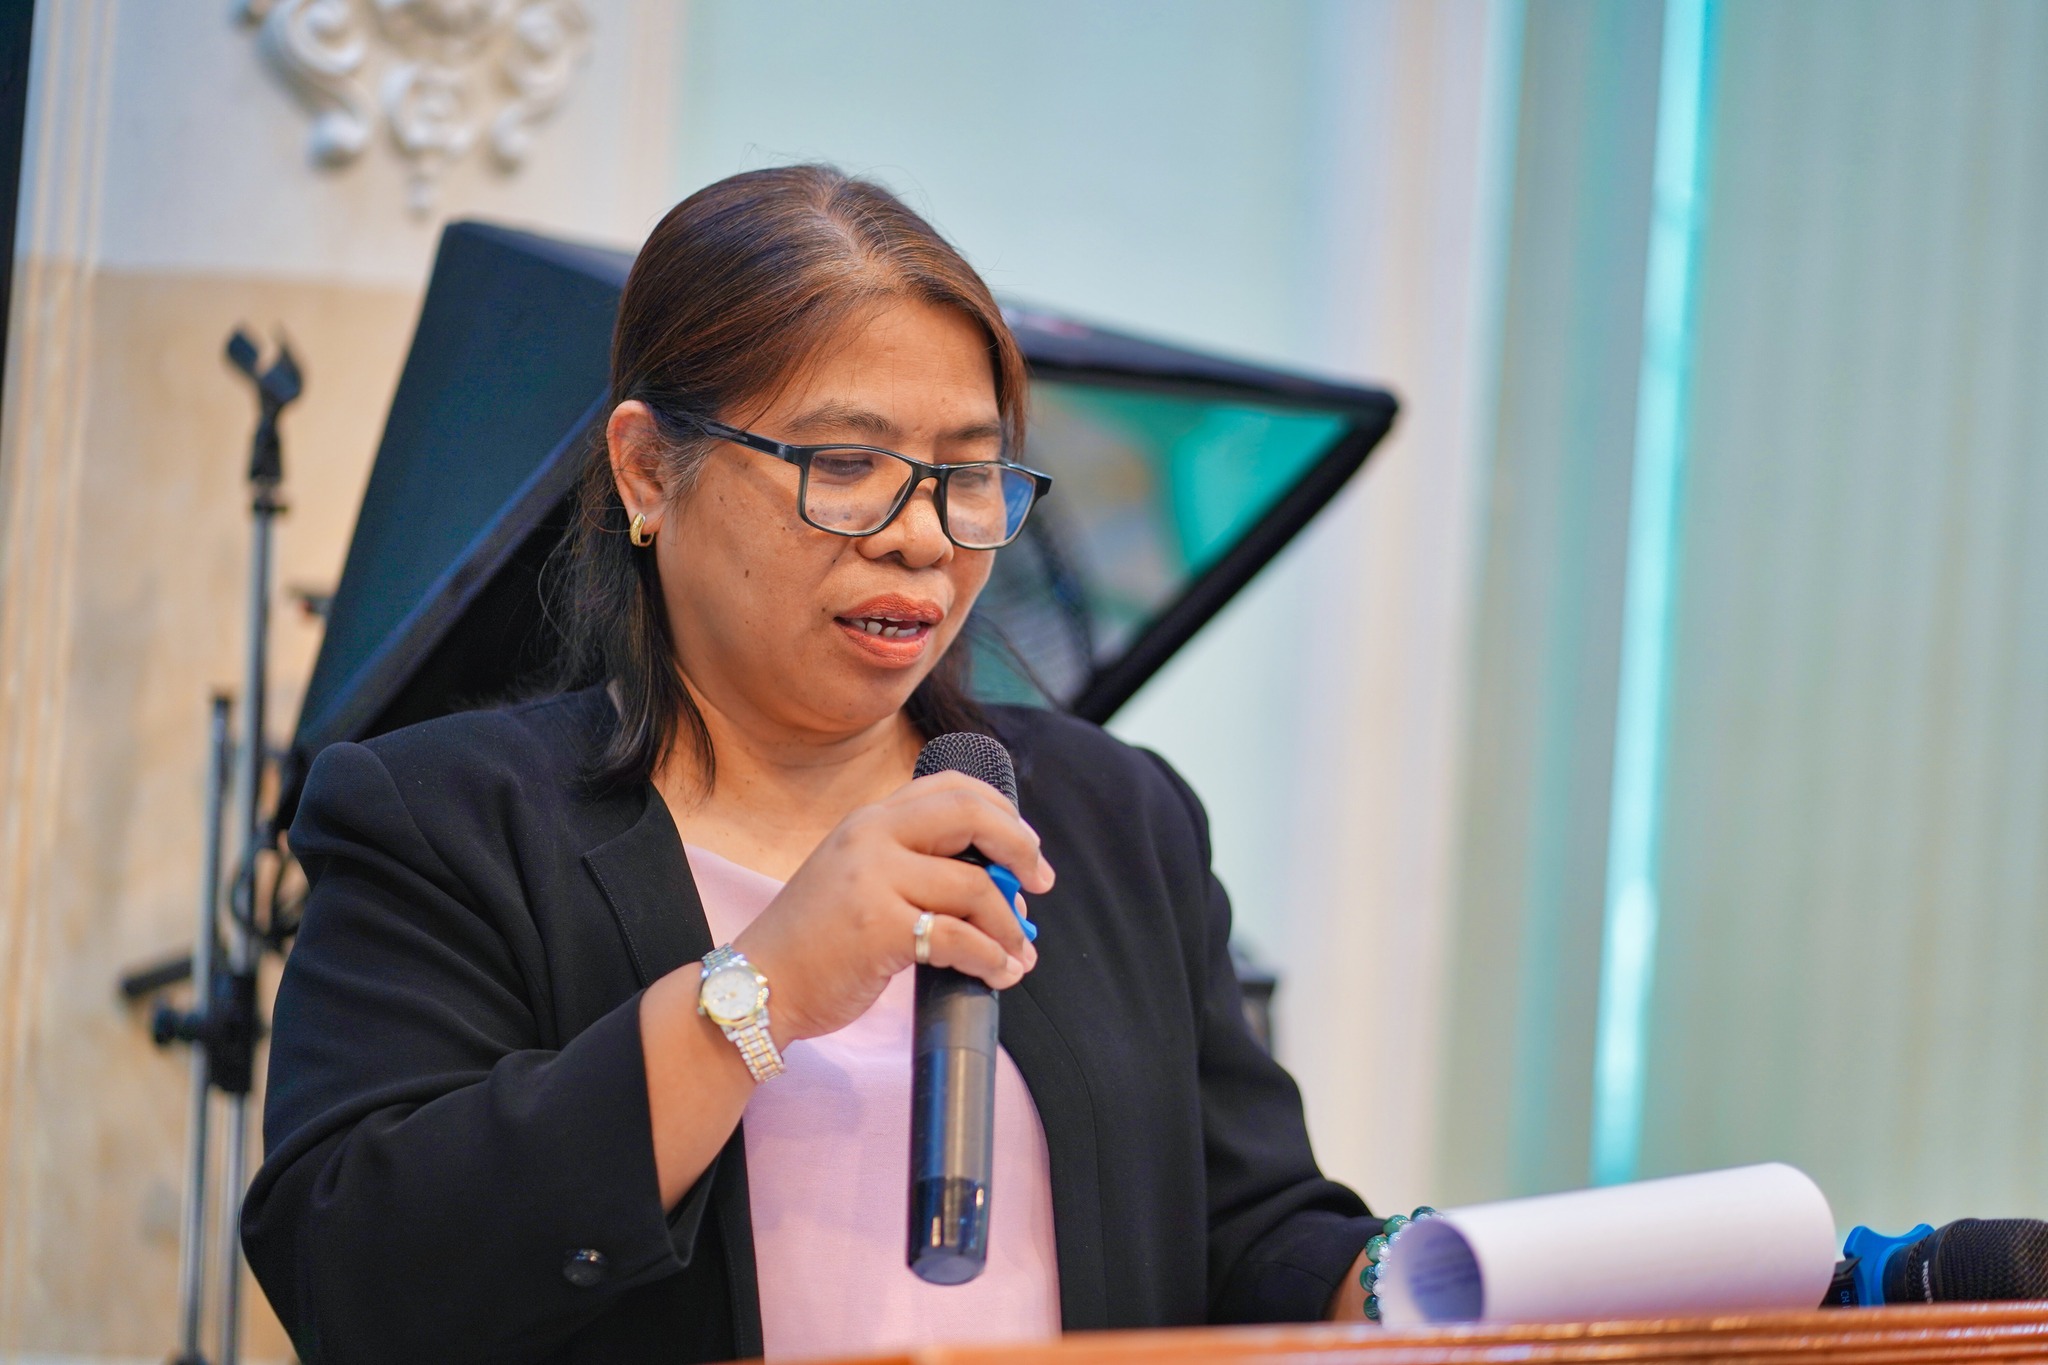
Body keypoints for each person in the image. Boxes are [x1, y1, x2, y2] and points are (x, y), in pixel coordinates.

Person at [242, 165, 1380, 1365]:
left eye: (967, 475)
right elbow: (357, 1278)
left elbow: (1249, 1235)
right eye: (844, 465)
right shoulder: (445, 820)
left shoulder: (1112, 815)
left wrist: (1417, 1269)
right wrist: (765, 985)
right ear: (646, 468)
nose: (920, 536)